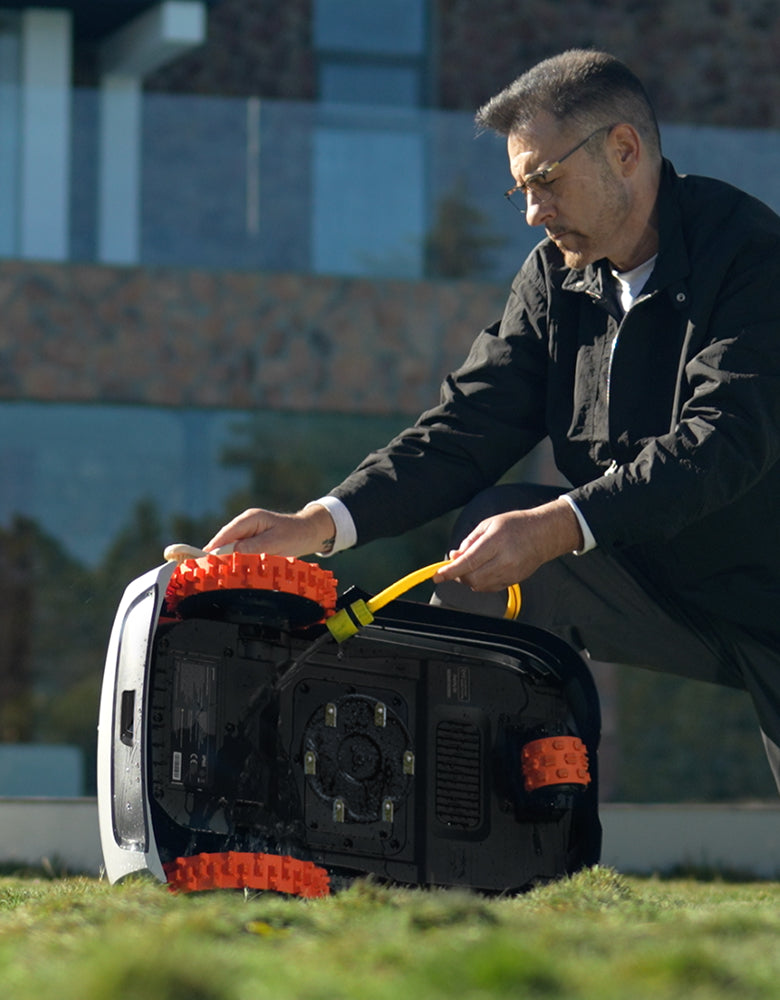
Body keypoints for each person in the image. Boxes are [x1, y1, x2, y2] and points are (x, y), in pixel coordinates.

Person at [206, 50, 780, 793]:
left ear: (625, 150)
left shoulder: (754, 259)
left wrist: (557, 525)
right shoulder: (554, 277)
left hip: (768, 593)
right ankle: (474, 825)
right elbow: (466, 427)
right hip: (657, 587)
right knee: (490, 534)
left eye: (545, 180)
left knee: (529, 527)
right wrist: (315, 524)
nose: (534, 212)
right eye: (521, 190)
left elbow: (722, 443)